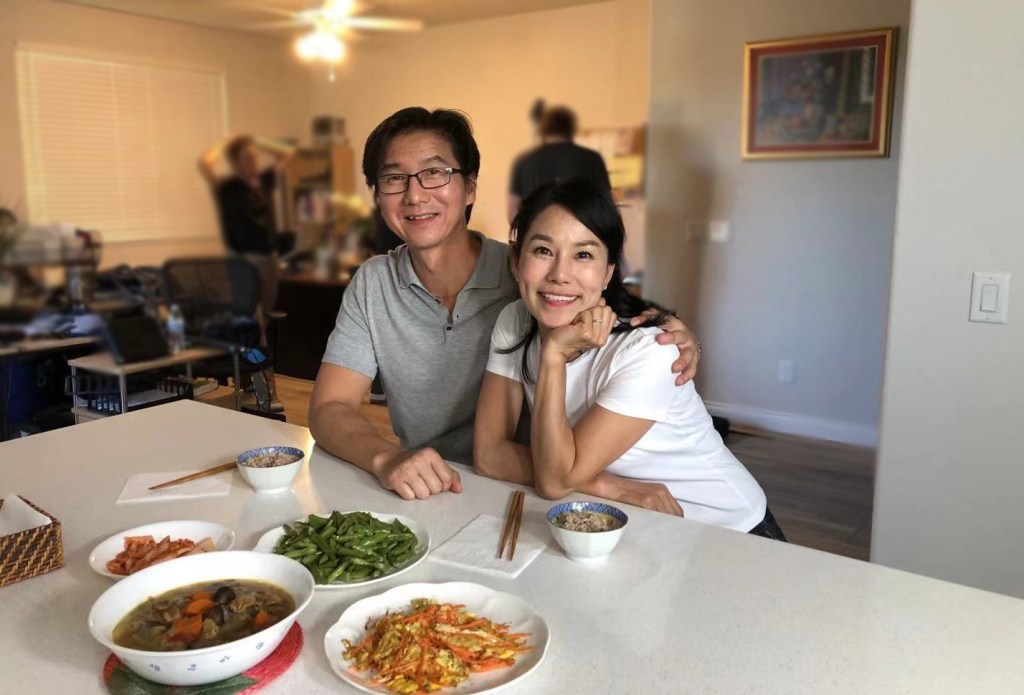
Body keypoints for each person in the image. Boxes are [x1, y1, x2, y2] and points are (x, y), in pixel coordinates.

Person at [308, 107, 700, 503]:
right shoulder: (373, 283)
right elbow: (330, 406)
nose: (414, 194)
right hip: (428, 487)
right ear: (377, 195)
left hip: (530, 491)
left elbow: (607, 304)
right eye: (394, 178)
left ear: (470, 188)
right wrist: (386, 458)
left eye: (435, 172)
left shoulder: (530, 275)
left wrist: (673, 332)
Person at [475, 180, 785, 537]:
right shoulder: (515, 321)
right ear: (516, 262)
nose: (560, 274)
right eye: (543, 250)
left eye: (583, 255)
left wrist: (554, 355)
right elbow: (489, 455)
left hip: (729, 528)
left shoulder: (648, 351)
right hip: (626, 517)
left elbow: (555, 481)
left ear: (607, 273)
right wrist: (611, 487)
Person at [198, 134, 294, 321]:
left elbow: (288, 153)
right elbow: (205, 163)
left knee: (267, 311)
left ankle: (264, 341)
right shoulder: (227, 187)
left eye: (253, 156)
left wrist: (258, 141)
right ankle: (255, 341)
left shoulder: (265, 180)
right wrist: (226, 141)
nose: (252, 161)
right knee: (250, 315)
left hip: (269, 257)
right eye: (245, 157)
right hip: (244, 259)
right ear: (235, 162)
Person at [508, 105, 611, 222]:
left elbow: (512, 214)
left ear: (543, 130)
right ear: (571, 129)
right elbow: (607, 206)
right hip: (581, 229)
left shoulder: (523, 162)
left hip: (537, 229)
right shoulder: (592, 159)